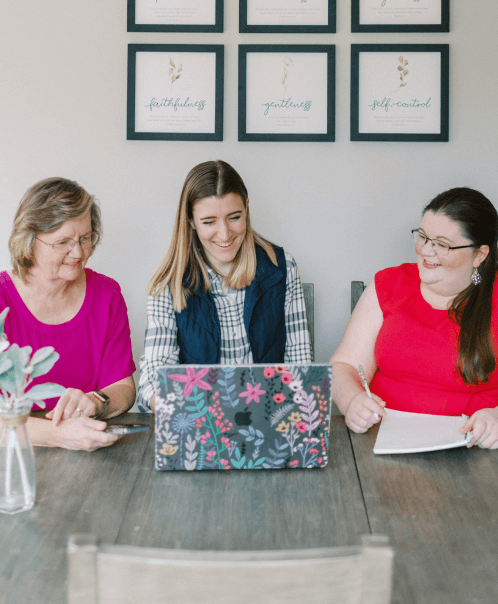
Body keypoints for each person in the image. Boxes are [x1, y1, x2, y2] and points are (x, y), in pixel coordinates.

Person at [330, 187, 498, 449]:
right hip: (383, 440)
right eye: (423, 237)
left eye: (442, 244)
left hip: (476, 449)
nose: (426, 251)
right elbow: (345, 365)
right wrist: (353, 400)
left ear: (479, 255)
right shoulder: (389, 284)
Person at [138, 160, 311, 412]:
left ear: (247, 209)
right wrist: (179, 408)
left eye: (234, 217)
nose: (224, 234)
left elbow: (299, 363)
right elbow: (151, 383)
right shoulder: (170, 282)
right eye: (209, 222)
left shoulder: (281, 268)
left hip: (271, 420)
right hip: (199, 422)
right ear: (190, 220)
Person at [0, 177, 136, 450]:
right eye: (63, 242)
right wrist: (56, 435)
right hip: (13, 457)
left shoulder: (106, 295)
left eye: (84, 238)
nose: (78, 252)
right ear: (29, 240)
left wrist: (97, 401)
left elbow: (124, 388)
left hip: (89, 449)